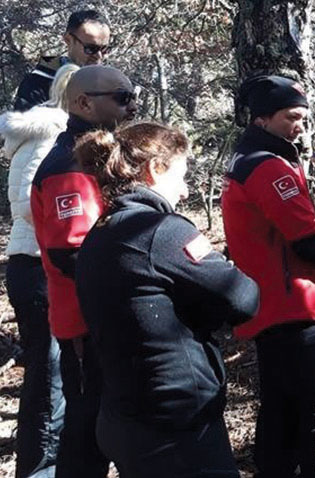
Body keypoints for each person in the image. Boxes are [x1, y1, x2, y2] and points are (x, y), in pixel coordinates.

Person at [73, 122, 259, 477]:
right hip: (176, 428)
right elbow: (244, 298)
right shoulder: (162, 231)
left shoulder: (99, 235)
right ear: (155, 169)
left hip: (125, 415)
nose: (186, 191)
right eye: (182, 175)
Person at [221, 75, 315, 478]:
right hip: (294, 305)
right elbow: (304, 238)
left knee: (281, 410)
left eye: (303, 117)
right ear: (263, 119)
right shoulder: (268, 168)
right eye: (291, 117)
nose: (299, 125)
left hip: (271, 305)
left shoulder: (251, 160)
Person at [30, 64, 137, 477]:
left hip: (106, 318)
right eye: (121, 97)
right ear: (83, 103)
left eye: (133, 94)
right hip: (86, 324)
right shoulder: (69, 168)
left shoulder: (99, 157)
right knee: (87, 432)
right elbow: (70, 254)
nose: (131, 105)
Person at [1, 63, 77, 477]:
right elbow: (31, 204)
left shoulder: (39, 134)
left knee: (51, 376)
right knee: (49, 379)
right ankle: (40, 469)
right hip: (38, 265)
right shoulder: (51, 132)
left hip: (37, 263)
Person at [14, 10, 111, 111]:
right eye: (91, 48)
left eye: (104, 49)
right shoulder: (38, 81)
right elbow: (25, 124)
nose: (99, 56)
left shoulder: (110, 84)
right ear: (68, 39)